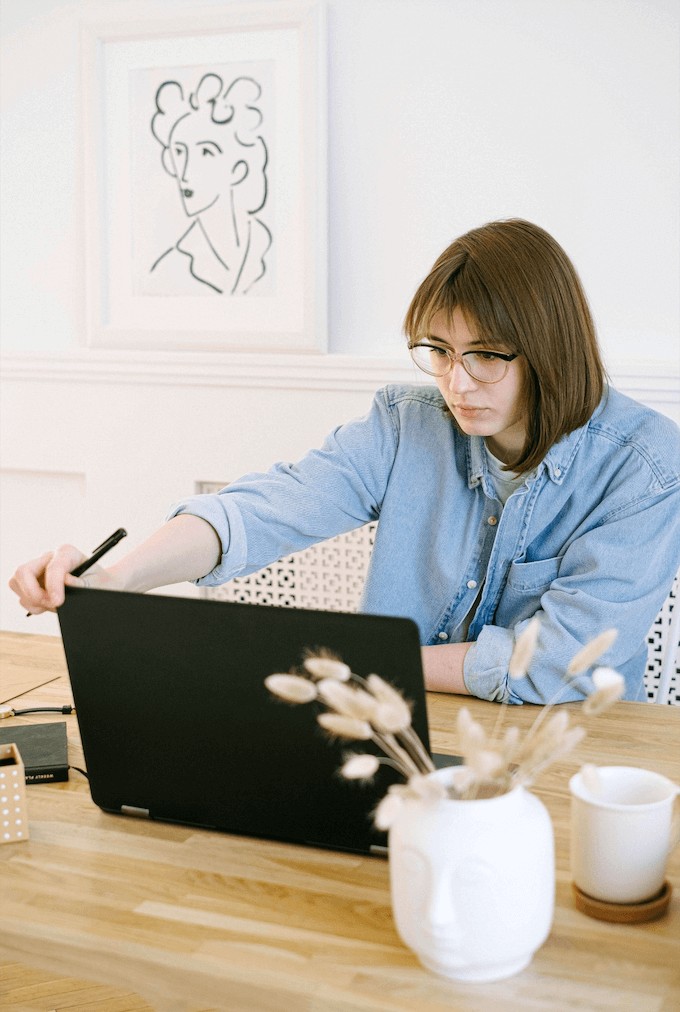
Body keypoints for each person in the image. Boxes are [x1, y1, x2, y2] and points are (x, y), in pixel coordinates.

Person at [10, 219, 680, 704]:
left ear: (549, 348)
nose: (458, 381)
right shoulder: (406, 424)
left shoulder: (644, 468)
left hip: (575, 753)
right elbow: (265, 510)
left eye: (487, 353)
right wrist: (116, 580)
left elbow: (560, 663)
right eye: (439, 351)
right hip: (401, 734)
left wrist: (370, 667)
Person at [148, 73, 272, 295]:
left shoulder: (273, 249)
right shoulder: (169, 270)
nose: (184, 172)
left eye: (206, 152)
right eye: (179, 152)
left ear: (238, 170)